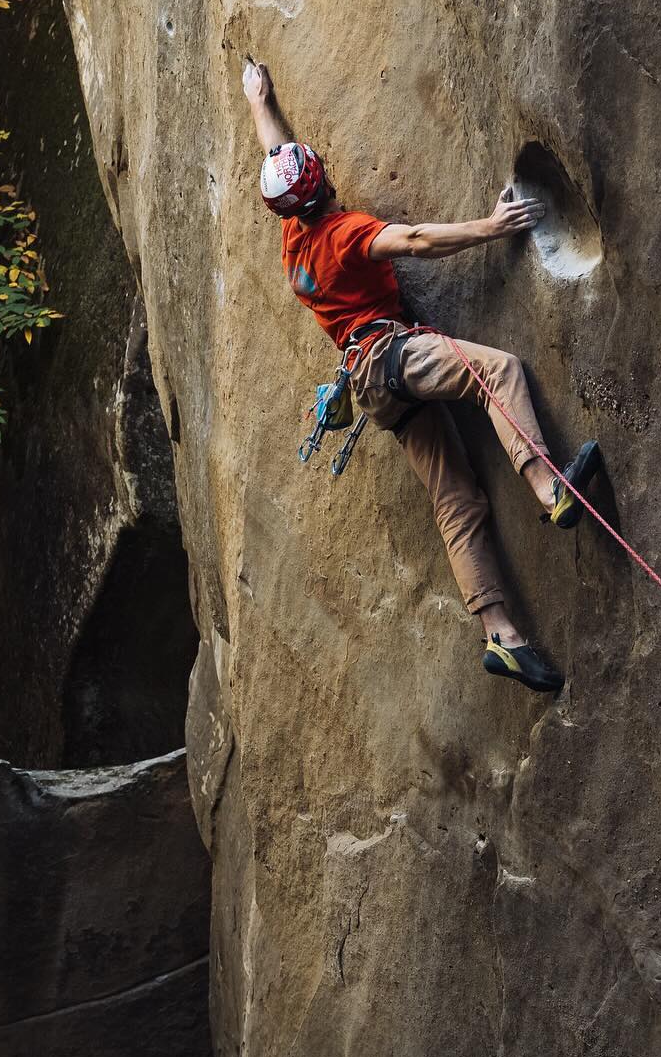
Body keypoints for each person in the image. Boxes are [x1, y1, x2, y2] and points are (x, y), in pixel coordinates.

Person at [243, 57, 599, 694]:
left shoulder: (293, 242)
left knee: (455, 497)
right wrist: (490, 227)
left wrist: (259, 101)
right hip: (392, 355)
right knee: (496, 369)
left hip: (371, 389)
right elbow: (411, 240)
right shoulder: (342, 232)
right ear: (321, 182)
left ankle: (502, 636)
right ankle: (550, 491)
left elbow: (278, 158)